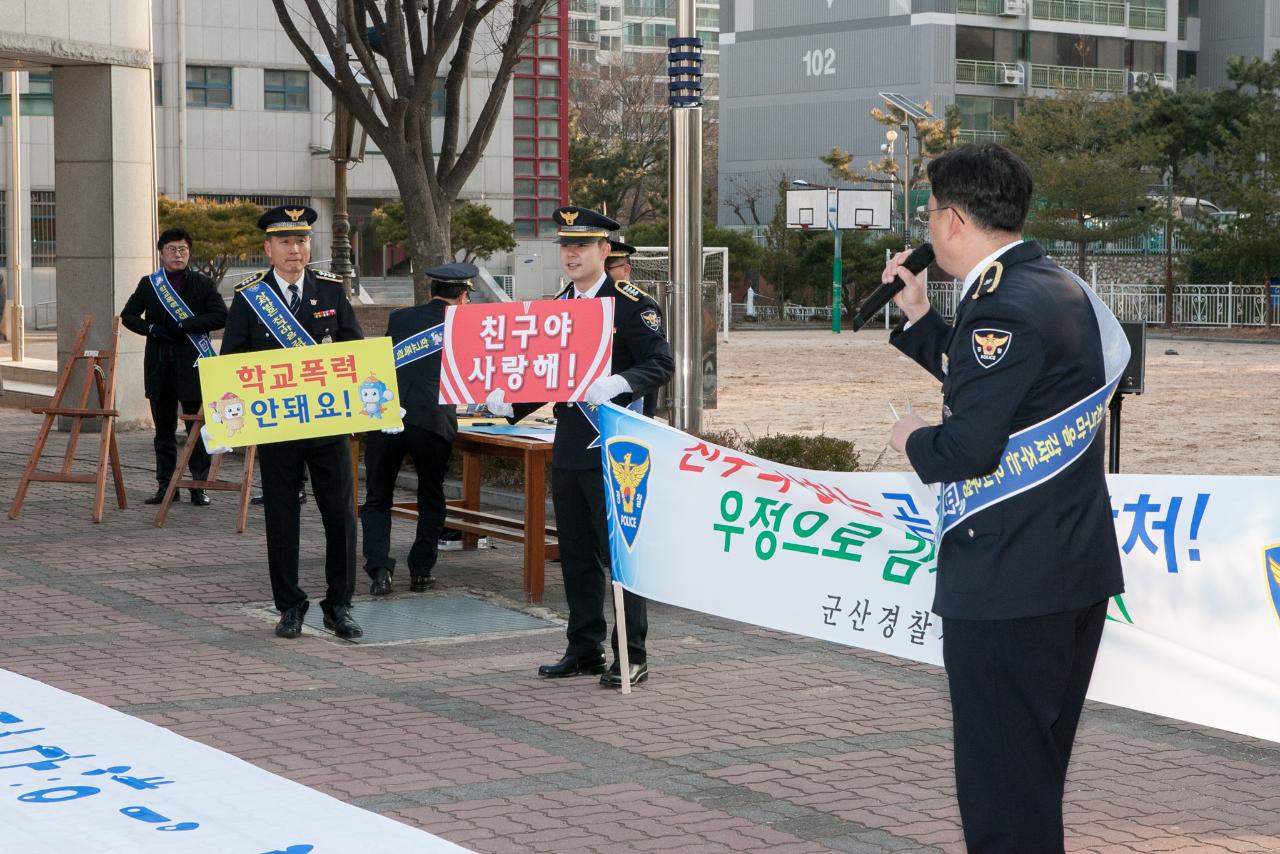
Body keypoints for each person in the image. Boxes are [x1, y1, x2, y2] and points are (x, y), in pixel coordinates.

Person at [883, 143, 1125, 853]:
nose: (928, 230)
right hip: (1069, 572)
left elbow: (969, 446)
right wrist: (921, 315)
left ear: (955, 220)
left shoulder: (1003, 309)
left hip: (1008, 584)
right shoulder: (1055, 287)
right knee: (1033, 774)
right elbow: (1004, 389)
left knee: (1001, 793)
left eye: (930, 214)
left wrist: (910, 439)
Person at [487, 206, 673, 688]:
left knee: (621, 555)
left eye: (582, 246)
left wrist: (621, 382)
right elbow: (548, 374)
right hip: (571, 442)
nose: (572, 254)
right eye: (566, 246)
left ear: (605, 250)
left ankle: (631, 655)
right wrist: (509, 403)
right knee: (575, 552)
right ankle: (584, 647)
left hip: (620, 449)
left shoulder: (632, 303)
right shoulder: (556, 307)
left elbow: (661, 363)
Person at [220, 206, 364, 640]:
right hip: (277, 428)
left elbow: (354, 353)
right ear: (268, 249)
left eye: (301, 241)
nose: (295, 250)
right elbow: (232, 364)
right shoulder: (249, 298)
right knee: (282, 518)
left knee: (339, 515)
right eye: (285, 242)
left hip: (327, 426)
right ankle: (290, 605)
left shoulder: (332, 292)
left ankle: (339, 606)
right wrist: (225, 419)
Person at [362, 263, 473, 596]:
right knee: (431, 495)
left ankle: (380, 570)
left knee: (378, 498)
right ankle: (420, 571)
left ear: (429, 292)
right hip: (432, 421)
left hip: (388, 414)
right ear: (464, 295)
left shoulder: (400, 318)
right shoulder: (465, 325)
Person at [121, 228, 228, 506]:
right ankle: (165, 486)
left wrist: (185, 325)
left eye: (182, 249)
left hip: (192, 366)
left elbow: (220, 316)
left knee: (196, 428)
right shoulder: (149, 284)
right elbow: (128, 316)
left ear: (189, 252)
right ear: (161, 253)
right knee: (164, 431)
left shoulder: (202, 284)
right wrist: (152, 329)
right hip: (159, 367)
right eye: (171, 249)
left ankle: (198, 485)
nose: (177, 254)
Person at [604, 239, 659, 418]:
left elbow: (654, 363)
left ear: (626, 269)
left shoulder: (637, 306)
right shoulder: (583, 302)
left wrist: (648, 413)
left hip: (628, 404)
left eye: (607, 270)